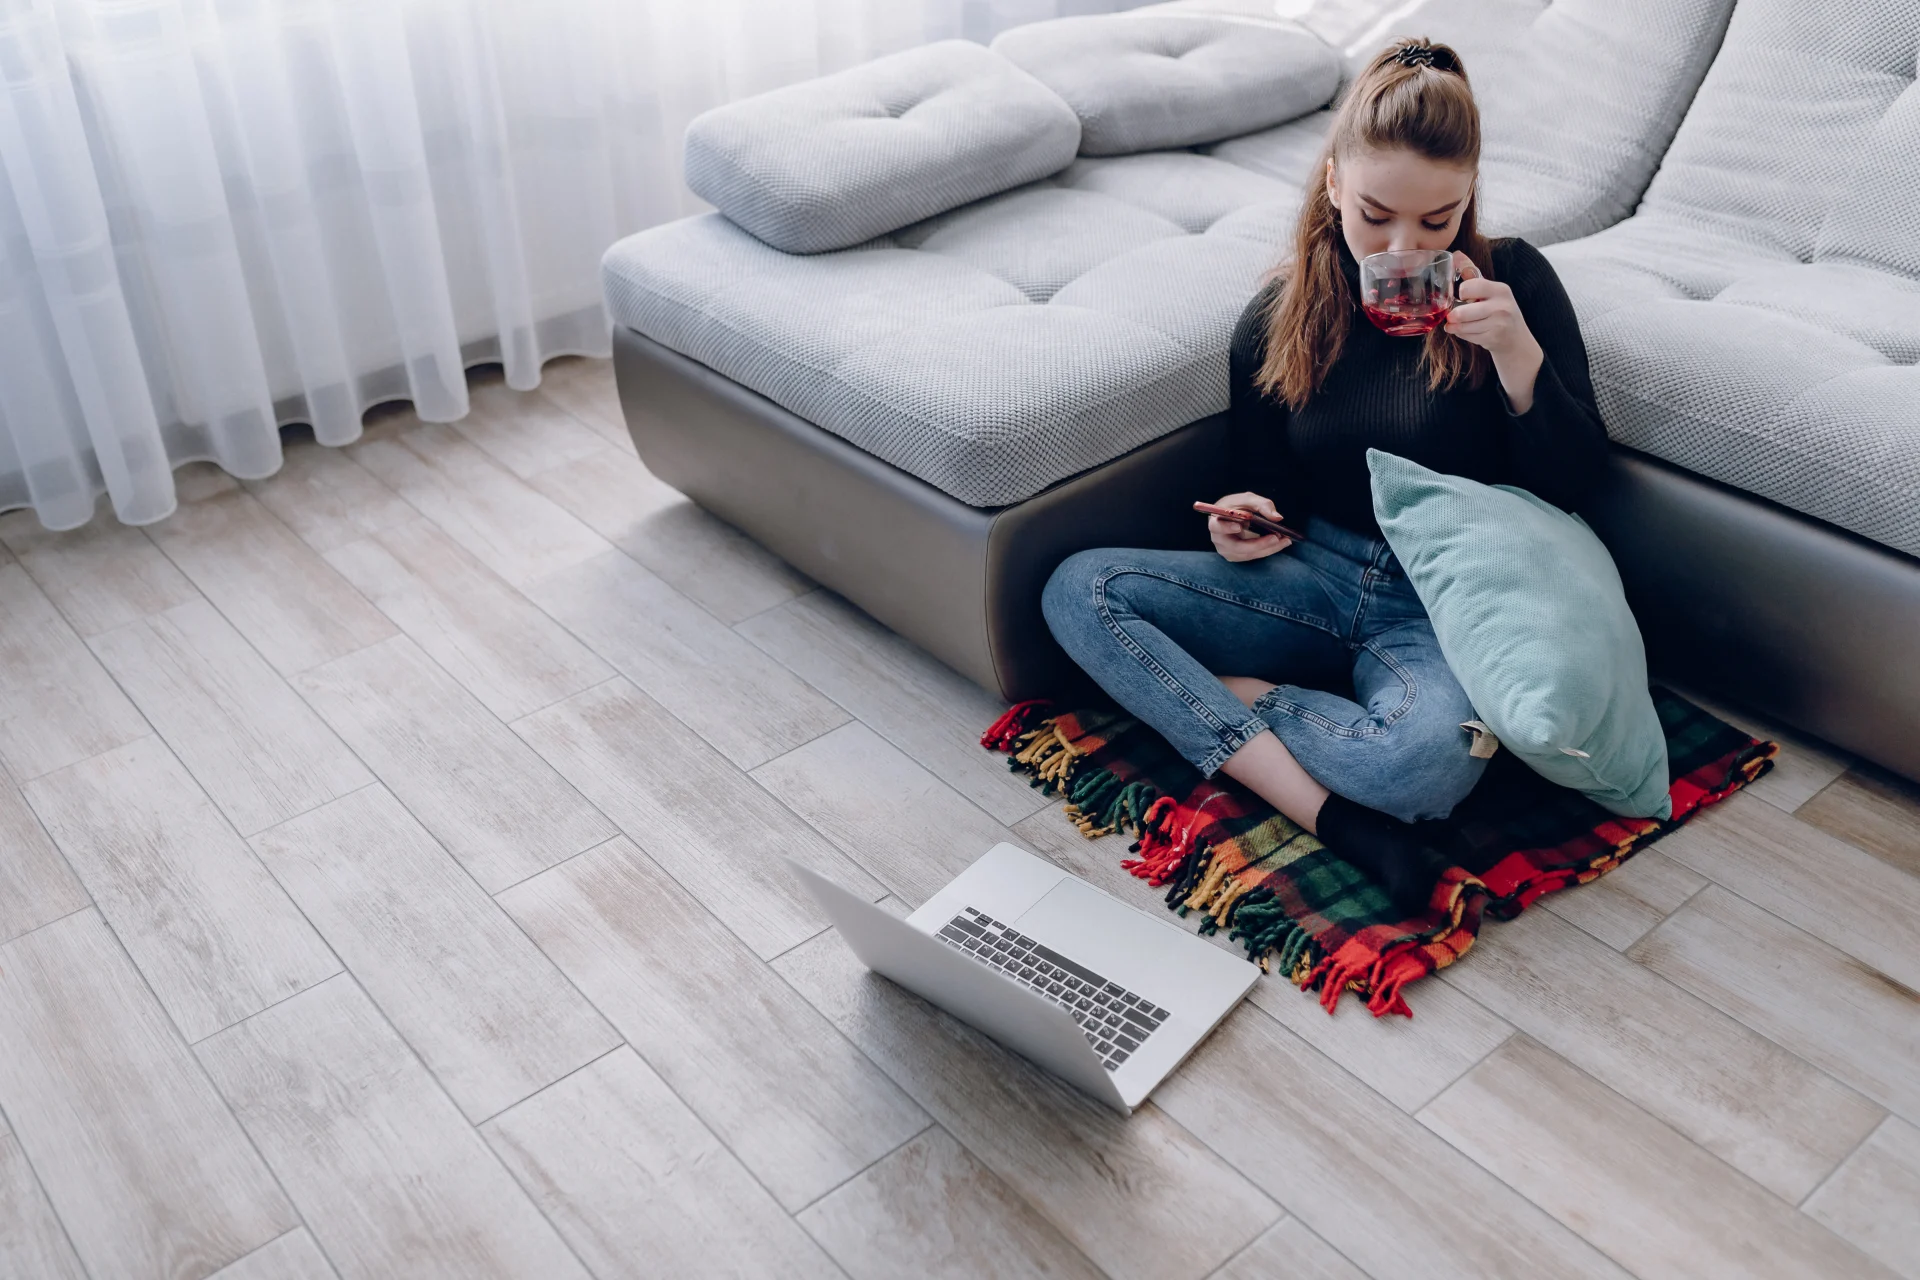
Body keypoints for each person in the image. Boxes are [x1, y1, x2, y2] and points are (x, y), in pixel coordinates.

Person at [1041, 37, 1609, 916]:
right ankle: (1335, 818)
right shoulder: (1279, 311)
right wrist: (1240, 520)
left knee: (1422, 769)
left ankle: (1234, 703)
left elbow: (1579, 489)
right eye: (1377, 213)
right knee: (1080, 592)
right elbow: (1262, 481)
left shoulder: (1516, 283)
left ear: (1467, 201)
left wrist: (1517, 356)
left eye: (1436, 222)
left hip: (1442, 602)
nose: (1401, 244)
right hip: (1308, 575)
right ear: (1335, 181)